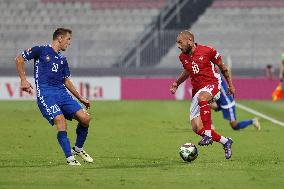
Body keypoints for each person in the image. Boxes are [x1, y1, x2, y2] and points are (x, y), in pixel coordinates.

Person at [15, 28, 93, 166]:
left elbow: (66, 81)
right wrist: (23, 79)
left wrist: (80, 98)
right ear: (60, 38)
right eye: (68, 39)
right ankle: (70, 158)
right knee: (61, 121)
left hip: (62, 94)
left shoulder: (62, 59)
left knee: (86, 118)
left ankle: (78, 149)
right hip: (46, 95)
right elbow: (19, 59)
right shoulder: (40, 50)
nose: (69, 43)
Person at [170, 30, 235, 159]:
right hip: (197, 89)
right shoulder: (182, 57)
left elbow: (223, 67)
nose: (178, 46)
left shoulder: (208, 51)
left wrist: (230, 85)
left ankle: (208, 135)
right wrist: (177, 83)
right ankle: (225, 141)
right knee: (196, 127)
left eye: (180, 42)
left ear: (189, 40)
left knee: (202, 97)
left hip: (213, 83)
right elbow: (187, 71)